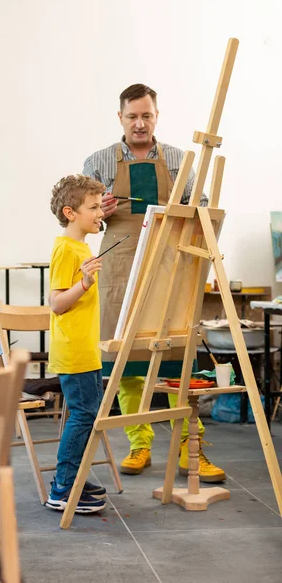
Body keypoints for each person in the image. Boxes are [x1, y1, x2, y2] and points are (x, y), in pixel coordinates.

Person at [83, 84, 225, 482]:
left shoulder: (180, 159)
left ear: (157, 116)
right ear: (121, 118)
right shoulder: (97, 162)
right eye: (133, 117)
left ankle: (189, 449)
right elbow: (81, 219)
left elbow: (203, 207)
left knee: (179, 360)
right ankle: (138, 443)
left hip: (169, 264)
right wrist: (100, 211)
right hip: (121, 268)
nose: (140, 123)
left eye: (147, 115)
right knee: (126, 362)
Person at [46, 174, 107, 513]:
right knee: (83, 415)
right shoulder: (65, 248)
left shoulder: (82, 246)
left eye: (101, 205)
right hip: (73, 350)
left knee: (88, 413)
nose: (101, 212)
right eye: (94, 207)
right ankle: (62, 488)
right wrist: (84, 282)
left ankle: (75, 479)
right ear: (71, 213)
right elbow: (56, 304)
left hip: (85, 347)